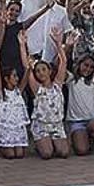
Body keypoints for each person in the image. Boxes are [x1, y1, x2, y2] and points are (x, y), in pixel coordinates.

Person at [20, 29, 69, 159]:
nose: (41, 73)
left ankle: (52, 142)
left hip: (57, 125)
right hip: (41, 125)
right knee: (47, 154)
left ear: (49, 70)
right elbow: (27, 67)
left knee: (63, 153)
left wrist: (59, 44)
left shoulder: (58, 85)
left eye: (43, 70)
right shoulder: (37, 88)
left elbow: (63, 62)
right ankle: (41, 143)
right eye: (38, 71)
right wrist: (22, 45)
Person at [64, 55, 94, 156]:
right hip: (76, 122)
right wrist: (65, 47)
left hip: (93, 120)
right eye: (86, 65)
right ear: (79, 64)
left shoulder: (93, 80)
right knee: (82, 151)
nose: (88, 69)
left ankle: (90, 136)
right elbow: (61, 66)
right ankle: (81, 138)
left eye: (92, 67)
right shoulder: (71, 80)